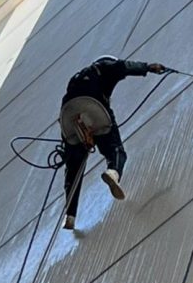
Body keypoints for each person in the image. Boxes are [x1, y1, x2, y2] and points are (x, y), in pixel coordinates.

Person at [59, 56, 167, 229]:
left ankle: (70, 215)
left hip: (68, 115)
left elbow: (67, 108)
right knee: (115, 150)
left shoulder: (76, 79)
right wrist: (148, 67)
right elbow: (123, 66)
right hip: (93, 106)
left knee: (73, 168)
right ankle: (113, 172)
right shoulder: (103, 66)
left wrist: (68, 148)